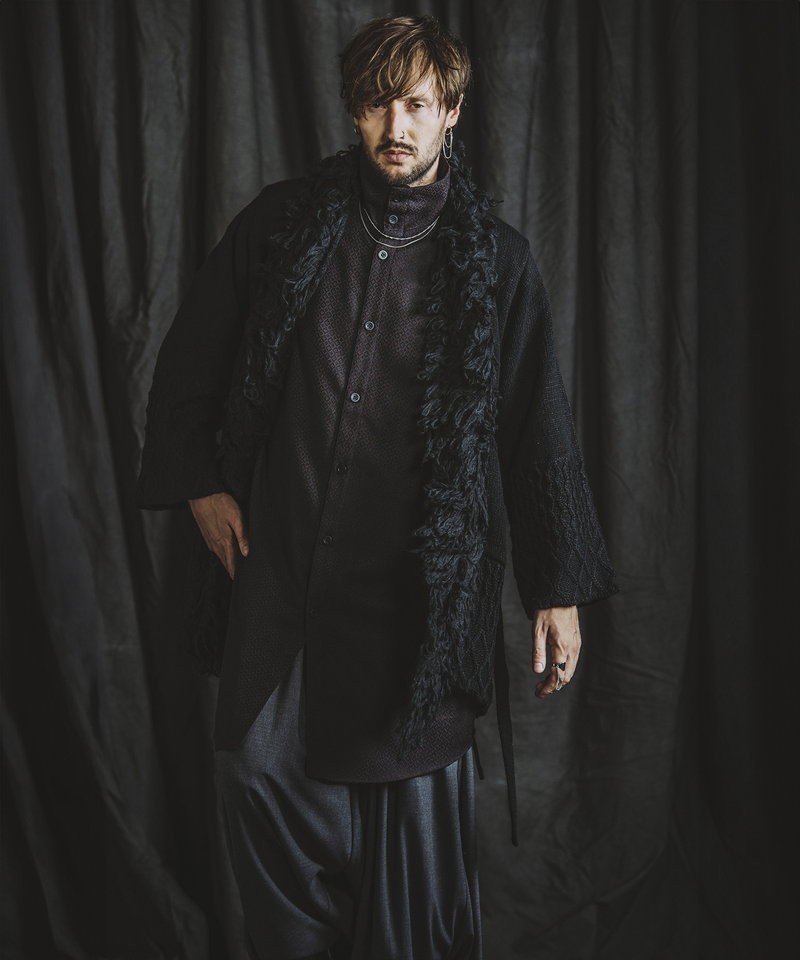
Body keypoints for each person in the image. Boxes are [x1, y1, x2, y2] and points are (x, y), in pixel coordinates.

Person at [136, 14, 617, 960]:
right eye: (376, 104)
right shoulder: (281, 226)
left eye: (417, 105)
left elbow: (539, 432)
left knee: (412, 864)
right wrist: (200, 486)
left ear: (452, 112)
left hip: (414, 604)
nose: (396, 126)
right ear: (354, 111)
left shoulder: (497, 264)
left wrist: (557, 589)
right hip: (284, 582)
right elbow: (191, 360)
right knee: (260, 783)